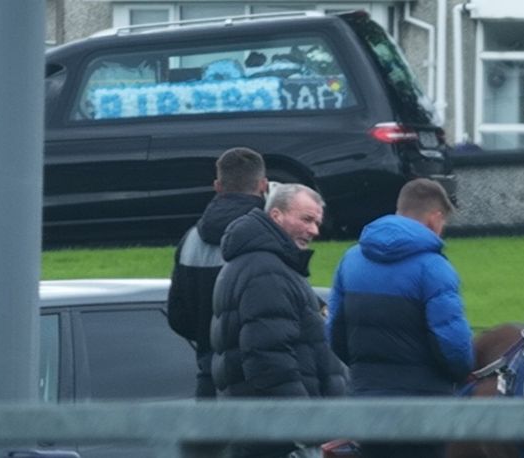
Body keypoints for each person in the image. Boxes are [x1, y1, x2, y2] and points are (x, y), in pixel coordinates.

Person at [326, 178, 473, 458]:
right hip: (424, 408)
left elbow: (335, 333)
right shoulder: (434, 268)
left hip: (366, 402)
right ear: (435, 218)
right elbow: (454, 349)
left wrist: (365, 373)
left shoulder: (351, 260)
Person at [212, 183, 347, 458]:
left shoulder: (260, 264)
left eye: (317, 223)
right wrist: (306, 426)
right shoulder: (267, 271)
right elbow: (268, 357)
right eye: (306, 219)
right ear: (276, 216)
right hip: (281, 438)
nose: (314, 231)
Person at [167, 146, 268, 399]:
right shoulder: (270, 235)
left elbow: (178, 316)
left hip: (210, 379)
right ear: (263, 185)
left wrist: (209, 339)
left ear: (218, 186)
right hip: (260, 379)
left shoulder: (191, 239)